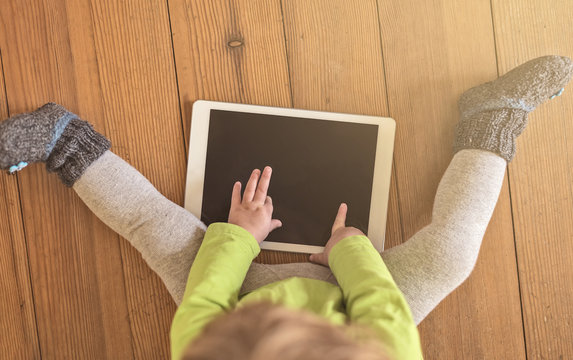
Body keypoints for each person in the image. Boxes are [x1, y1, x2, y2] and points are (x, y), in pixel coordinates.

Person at [0, 55, 571, 360]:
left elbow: (207, 298)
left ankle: (63, 140)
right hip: (359, 297)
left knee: (156, 227)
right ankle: (490, 118)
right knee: (452, 255)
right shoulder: (388, 350)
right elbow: (379, 304)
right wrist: (351, 253)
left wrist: (237, 237)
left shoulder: (203, 346)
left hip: (231, 290)